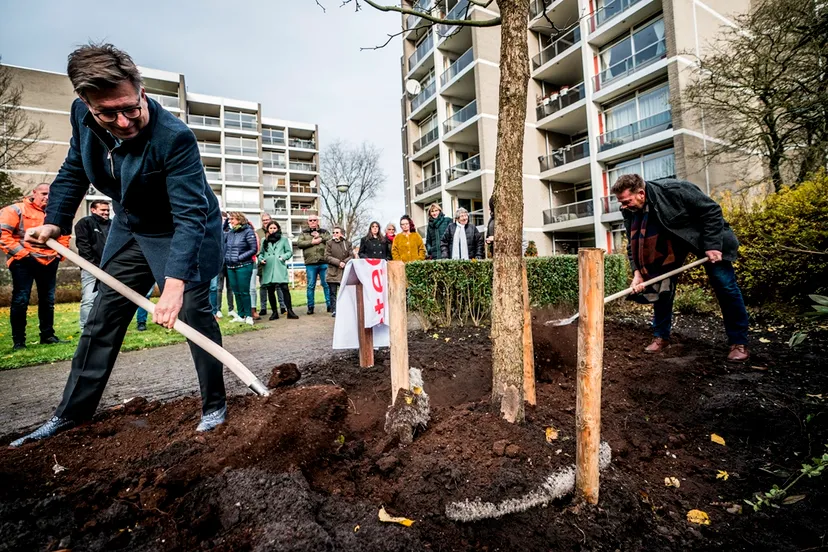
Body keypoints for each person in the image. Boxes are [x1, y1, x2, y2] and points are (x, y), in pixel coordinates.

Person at [12, 43, 227, 447]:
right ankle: (70, 413)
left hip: (182, 230)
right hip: (130, 227)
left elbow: (189, 217)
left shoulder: (174, 138)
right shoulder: (82, 118)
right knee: (102, 320)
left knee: (195, 316)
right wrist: (55, 220)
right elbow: (75, 167)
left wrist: (174, 285)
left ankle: (214, 407)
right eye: (107, 113)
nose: (124, 121)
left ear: (141, 91)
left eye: (130, 107)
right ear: (85, 103)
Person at [611, 174, 749, 361]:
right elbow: (633, 244)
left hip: (705, 237)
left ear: (641, 193)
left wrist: (713, 245)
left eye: (626, 201)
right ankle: (661, 336)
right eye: (621, 202)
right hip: (670, 245)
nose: (623, 206)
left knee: (725, 285)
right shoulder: (630, 209)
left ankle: (738, 342)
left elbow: (712, 211)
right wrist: (637, 273)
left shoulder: (674, 190)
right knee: (662, 286)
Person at [0, 183, 71, 350]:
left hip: (49, 260)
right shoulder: (15, 210)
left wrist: (59, 255)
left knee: (48, 300)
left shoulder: (55, 214)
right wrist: (24, 255)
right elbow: (3, 236)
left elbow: (64, 235)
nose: (47, 197)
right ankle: (19, 342)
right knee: (21, 300)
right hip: (22, 261)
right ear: (34, 193)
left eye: (50, 195)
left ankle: (47, 335)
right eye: (44, 193)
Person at [74, 200, 111, 332]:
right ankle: (86, 329)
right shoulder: (85, 223)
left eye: (107, 210)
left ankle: (104, 327)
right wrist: (93, 266)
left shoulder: (112, 225)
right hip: (91, 268)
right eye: (103, 210)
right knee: (89, 299)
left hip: (110, 269)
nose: (106, 213)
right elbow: (83, 246)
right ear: (93, 210)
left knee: (107, 300)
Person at [258, 220, 298, 320]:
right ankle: (274, 312)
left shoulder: (283, 240)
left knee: (285, 288)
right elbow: (261, 253)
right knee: (270, 291)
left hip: (279, 267)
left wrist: (282, 257)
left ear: (278, 229)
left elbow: (289, 252)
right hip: (268, 267)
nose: (272, 230)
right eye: (270, 228)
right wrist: (261, 259)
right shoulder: (264, 240)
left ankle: (290, 311)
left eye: (274, 228)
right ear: (268, 229)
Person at [224, 212, 258, 325]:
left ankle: (248, 315)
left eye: (232, 219)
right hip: (230, 266)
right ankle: (241, 314)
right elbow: (222, 243)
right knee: (236, 292)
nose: (230, 221)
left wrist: (239, 258)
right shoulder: (230, 233)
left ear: (239, 219)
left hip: (244, 266)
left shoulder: (248, 231)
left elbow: (253, 249)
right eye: (229, 219)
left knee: (244, 292)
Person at [296, 214, 332, 315]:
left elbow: (330, 239)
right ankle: (310, 307)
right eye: (310, 220)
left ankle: (330, 305)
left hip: (323, 262)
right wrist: (312, 242)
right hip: (310, 263)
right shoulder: (303, 233)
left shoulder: (324, 232)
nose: (312, 222)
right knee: (311, 286)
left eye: (314, 220)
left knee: (326, 285)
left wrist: (320, 237)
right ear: (308, 222)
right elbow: (299, 244)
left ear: (317, 221)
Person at [325, 226, 354, 317]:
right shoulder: (329, 243)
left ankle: (344, 309)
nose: (335, 234)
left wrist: (344, 262)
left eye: (337, 232)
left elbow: (351, 255)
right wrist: (338, 263)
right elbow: (326, 256)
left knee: (345, 292)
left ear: (342, 233)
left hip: (344, 271)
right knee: (333, 292)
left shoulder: (348, 243)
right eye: (333, 232)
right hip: (333, 272)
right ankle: (334, 310)